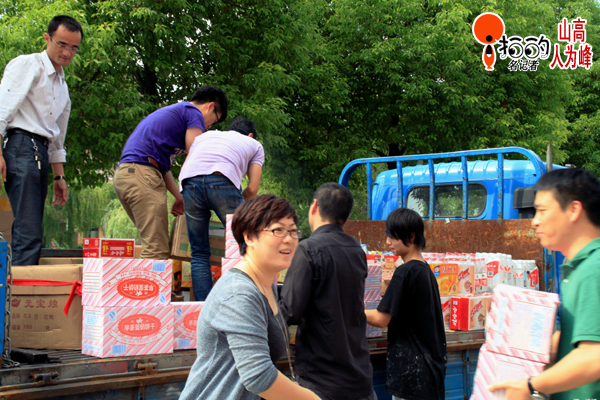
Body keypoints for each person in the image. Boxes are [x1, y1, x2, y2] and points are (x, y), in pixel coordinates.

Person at [179, 194, 321, 400]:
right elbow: (258, 376)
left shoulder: (265, 285)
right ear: (249, 237)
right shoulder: (239, 293)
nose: (289, 238)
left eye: (292, 231)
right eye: (278, 230)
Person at [489, 168, 600, 400]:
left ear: (573, 210)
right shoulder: (577, 267)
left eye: (542, 211)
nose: (535, 222)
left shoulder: (593, 269)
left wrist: (531, 386)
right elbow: (582, 335)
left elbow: (594, 356)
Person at [280, 183, 376, 400]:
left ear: (314, 206)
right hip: (359, 376)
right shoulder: (357, 250)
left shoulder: (307, 249)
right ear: (346, 218)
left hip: (322, 380)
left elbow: (289, 311)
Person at [0, 15, 83, 266]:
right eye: (61, 44)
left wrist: (59, 177)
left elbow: (57, 136)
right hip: (21, 145)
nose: (67, 53)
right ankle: (20, 288)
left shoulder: (62, 87)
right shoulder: (28, 65)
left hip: (40, 152)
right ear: (47, 38)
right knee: (29, 230)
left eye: (74, 48)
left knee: (33, 226)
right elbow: (2, 109)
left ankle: (21, 282)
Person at [113, 86, 228, 259]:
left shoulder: (177, 115)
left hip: (128, 175)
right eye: (215, 120)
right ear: (210, 106)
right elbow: (196, 155)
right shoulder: (193, 112)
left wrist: (179, 196)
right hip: (143, 174)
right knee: (157, 250)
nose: (209, 126)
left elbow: (163, 167)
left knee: (154, 244)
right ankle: (150, 278)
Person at [365, 208, 447, 400]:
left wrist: (349, 309)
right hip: (429, 374)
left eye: (393, 237)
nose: (388, 242)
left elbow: (381, 319)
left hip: (412, 378)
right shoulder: (425, 270)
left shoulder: (405, 272)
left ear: (411, 237)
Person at [179, 116, 264, 301]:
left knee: (199, 252)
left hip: (189, 184)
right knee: (246, 245)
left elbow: (186, 168)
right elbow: (252, 189)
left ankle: (203, 308)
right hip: (222, 180)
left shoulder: (204, 137)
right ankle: (237, 303)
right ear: (250, 135)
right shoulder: (254, 144)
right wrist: (240, 211)